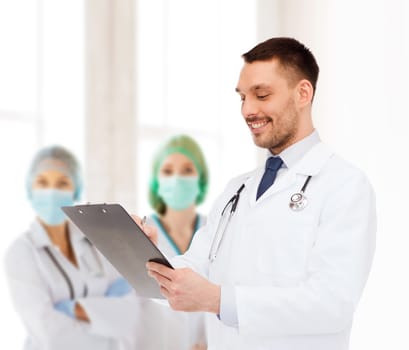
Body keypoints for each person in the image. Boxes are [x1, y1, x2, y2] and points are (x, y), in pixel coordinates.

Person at [146, 37, 377, 350]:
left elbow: (331, 304)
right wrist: (144, 252)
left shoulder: (344, 185)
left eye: (262, 95)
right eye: (242, 97)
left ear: (303, 93)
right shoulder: (237, 190)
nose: (248, 110)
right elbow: (194, 270)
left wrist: (219, 300)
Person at [4, 145, 141, 350]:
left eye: (62, 183)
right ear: (30, 189)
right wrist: (104, 322)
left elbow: (129, 315)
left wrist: (70, 309)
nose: (51, 191)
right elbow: (50, 336)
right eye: (42, 182)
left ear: (74, 189)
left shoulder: (96, 240)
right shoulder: (21, 252)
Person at [133, 134, 208, 350]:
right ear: (156, 181)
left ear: (200, 179)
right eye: (167, 171)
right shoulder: (141, 233)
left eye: (187, 170)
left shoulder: (215, 230)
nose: (177, 179)